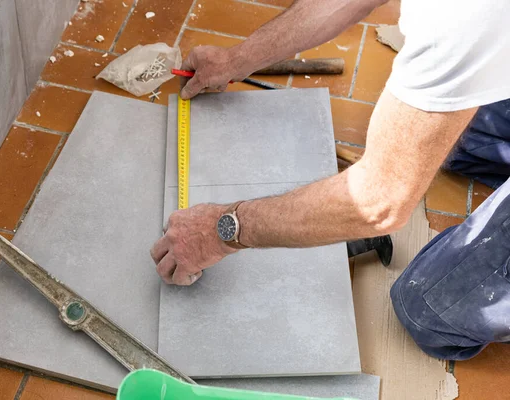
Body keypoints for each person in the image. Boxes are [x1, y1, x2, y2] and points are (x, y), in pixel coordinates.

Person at [150, 0, 510, 361]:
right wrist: (237, 60)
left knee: (430, 310)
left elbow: (379, 200)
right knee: (462, 128)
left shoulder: (461, 19)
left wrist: (222, 229)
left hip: (481, 28)